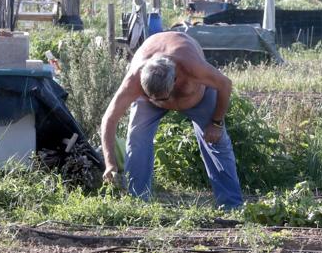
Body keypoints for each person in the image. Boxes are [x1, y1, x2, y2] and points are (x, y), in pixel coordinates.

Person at [100, 31, 243, 208]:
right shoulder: (134, 79)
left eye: (162, 97)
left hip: (198, 99)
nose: (162, 102)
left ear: (175, 80)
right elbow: (109, 119)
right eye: (151, 96)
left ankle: (232, 206)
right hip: (151, 90)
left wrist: (216, 122)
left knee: (216, 140)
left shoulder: (192, 66)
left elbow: (225, 84)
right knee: (136, 141)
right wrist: (110, 164)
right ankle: (137, 204)